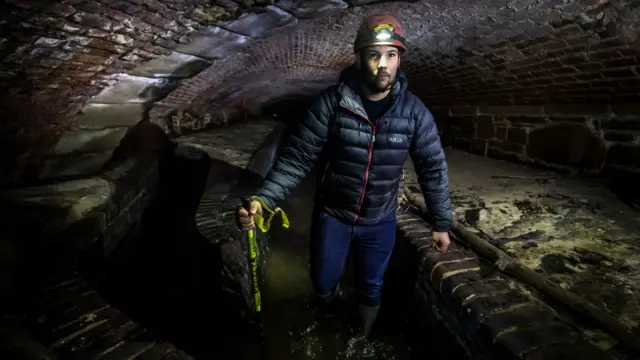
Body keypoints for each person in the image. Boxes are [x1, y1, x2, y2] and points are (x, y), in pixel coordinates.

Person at [235, 13, 453, 337]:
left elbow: (432, 168)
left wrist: (441, 222)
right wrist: (263, 200)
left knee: (371, 285)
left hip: (380, 220)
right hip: (333, 215)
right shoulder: (331, 104)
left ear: (399, 59)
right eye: (374, 54)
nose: (383, 64)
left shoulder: (414, 113)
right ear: (359, 57)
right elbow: (296, 159)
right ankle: (328, 320)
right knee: (322, 280)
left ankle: (360, 339)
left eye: (391, 55)